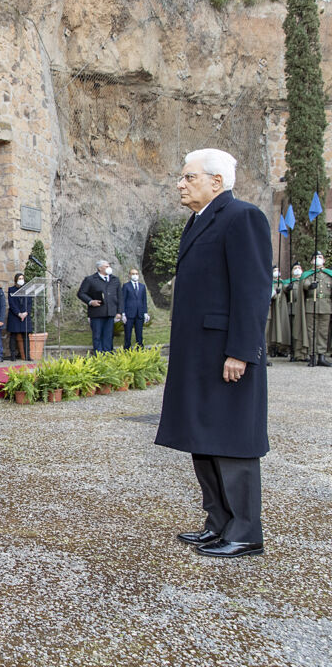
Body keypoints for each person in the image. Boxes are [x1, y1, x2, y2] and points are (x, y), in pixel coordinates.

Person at [156, 148, 271, 558]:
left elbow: (253, 291)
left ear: (216, 182)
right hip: (199, 353)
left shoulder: (243, 218)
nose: (180, 184)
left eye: (189, 177)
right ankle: (218, 524)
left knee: (232, 441)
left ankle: (245, 532)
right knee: (203, 438)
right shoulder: (198, 221)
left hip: (227, 353)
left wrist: (240, 351)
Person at [77, 259, 122, 353]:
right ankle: (98, 355)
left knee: (108, 335)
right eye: (107, 266)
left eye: (109, 266)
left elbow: (120, 296)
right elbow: (81, 293)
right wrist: (90, 301)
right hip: (97, 312)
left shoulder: (115, 280)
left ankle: (108, 353)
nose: (109, 268)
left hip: (110, 312)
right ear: (100, 268)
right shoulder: (90, 279)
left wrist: (119, 311)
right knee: (97, 335)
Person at [301, 252, 332, 366]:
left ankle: (322, 356)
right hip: (311, 305)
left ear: (324, 260)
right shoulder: (308, 274)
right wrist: (310, 286)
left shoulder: (329, 274)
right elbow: (304, 283)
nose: (317, 259)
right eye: (315, 258)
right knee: (311, 331)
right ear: (311, 261)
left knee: (323, 332)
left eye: (320, 257)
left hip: (326, 305)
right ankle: (312, 355)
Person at [121, 267, 149, 349]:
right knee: (128, 334)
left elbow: (144, 300)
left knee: (139, 334)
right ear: (129, 275)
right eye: (133, 274)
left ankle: (140, 349)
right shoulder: (126, 286)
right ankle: (127, 349)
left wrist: (145, 313)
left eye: (136, 274)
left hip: (139, 313)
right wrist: (123, 313)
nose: (135, 275)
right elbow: (123, 300)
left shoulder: (142, 286)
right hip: (129, 314)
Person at [267, 265, 291, 359]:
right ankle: (270, 348)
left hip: (281, 308)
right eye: (275, 270)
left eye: (278, 270)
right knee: (270, 330)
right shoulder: (269, 282)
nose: (277, 272)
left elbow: (285, 288)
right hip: (271, 309)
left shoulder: (282, 282)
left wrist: (288, 288)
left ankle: (281, 348)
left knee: (282, 327)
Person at [6, 272, 31, 360]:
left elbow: (29, 303)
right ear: (16, 280)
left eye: (22, 279)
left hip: (25, 315)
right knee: (13, 335)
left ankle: (27, 356)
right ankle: (13, 356)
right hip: (15, 316)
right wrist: (19, 313)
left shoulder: (27, 289)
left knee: (26, 336)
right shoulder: (11, 289)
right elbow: (11, 303)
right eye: (19, 279)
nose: (21, 280)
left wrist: (26, 312)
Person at [286, 261, 308, 361]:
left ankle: (302, 353)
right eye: (295, 268)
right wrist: (287, 288)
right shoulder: (288, 282)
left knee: (301, 331)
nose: (297, 270)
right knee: (292, 332)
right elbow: (283, 290)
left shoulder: (305, 280)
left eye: (299, 268)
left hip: (303, 310)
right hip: (291, 309)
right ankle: (292, 352)